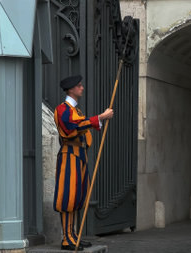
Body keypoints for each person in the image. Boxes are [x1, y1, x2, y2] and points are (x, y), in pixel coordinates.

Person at [53, 75, 114, 251]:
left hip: (80, 155)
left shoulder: (76, 110)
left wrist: (99, 120)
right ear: (71, 89)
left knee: (78, 197)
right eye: (79, 86)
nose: (82, 88)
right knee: (68, 197)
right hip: (69, 155)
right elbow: (71, 128)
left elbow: (82, 125)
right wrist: (99, 118)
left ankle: (74, 236)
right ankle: (66, 239)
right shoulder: (62, 109)